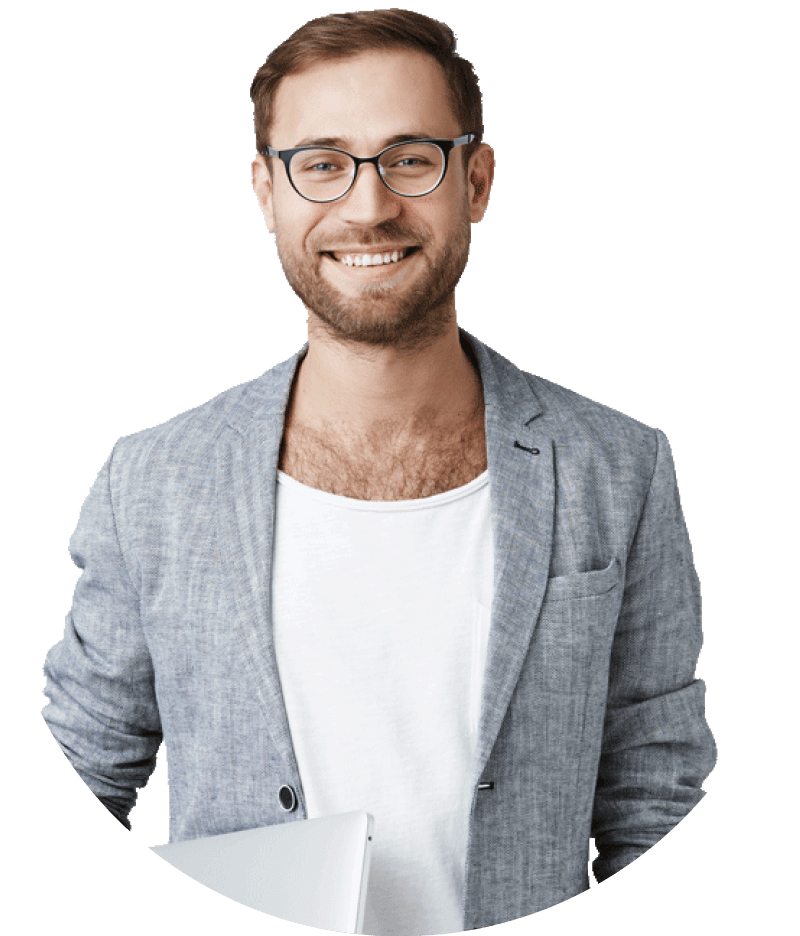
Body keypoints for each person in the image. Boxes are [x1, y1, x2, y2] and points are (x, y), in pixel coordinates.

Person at [41, 10, 716, 932]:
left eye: (410, 157)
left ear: (476, 181)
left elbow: (655, 786)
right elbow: (84, 758)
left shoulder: (617, 467)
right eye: (321, 163)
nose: (367, 206)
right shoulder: (152, 481)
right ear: (266, 192)